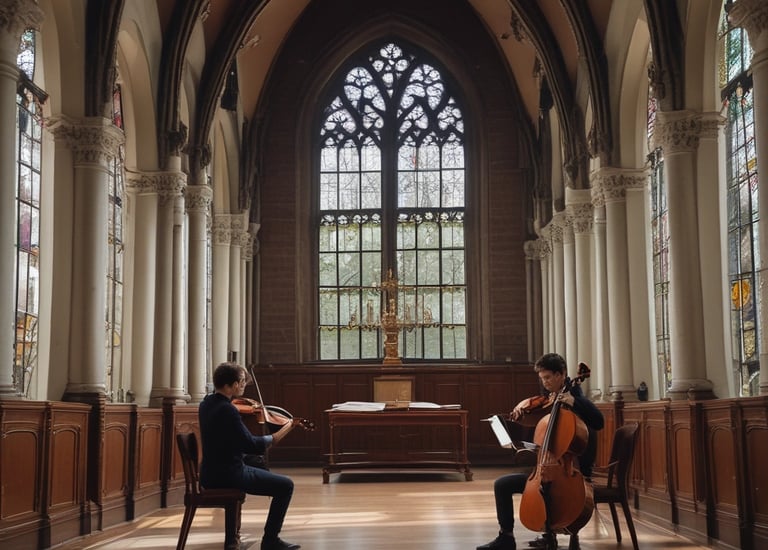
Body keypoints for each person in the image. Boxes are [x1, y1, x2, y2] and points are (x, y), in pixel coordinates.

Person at [477, 353, 604, 550]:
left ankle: (559, 533)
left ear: (561, 374)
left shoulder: (575, 395)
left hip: (573, 475)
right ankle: (506, 537)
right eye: (542, 379)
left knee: (548, 491)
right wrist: (521, 414)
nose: (544, 383)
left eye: (547, 378)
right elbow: (542, 427)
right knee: (502, 484)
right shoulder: (552, 398)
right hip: (546, 470)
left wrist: (575, 402)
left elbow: (599, 421)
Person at [199, 362, 301, 550]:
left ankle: (232, 539)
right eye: (242, 382)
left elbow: (228, 442)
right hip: (228, 474)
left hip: (210, 471)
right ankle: (271, 540)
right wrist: (279, 433)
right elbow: (252, 445)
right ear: (233, 385)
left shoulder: (207, 403)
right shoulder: (228, 410)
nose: (244, 386)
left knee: (255, 462)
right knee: (286, 485)